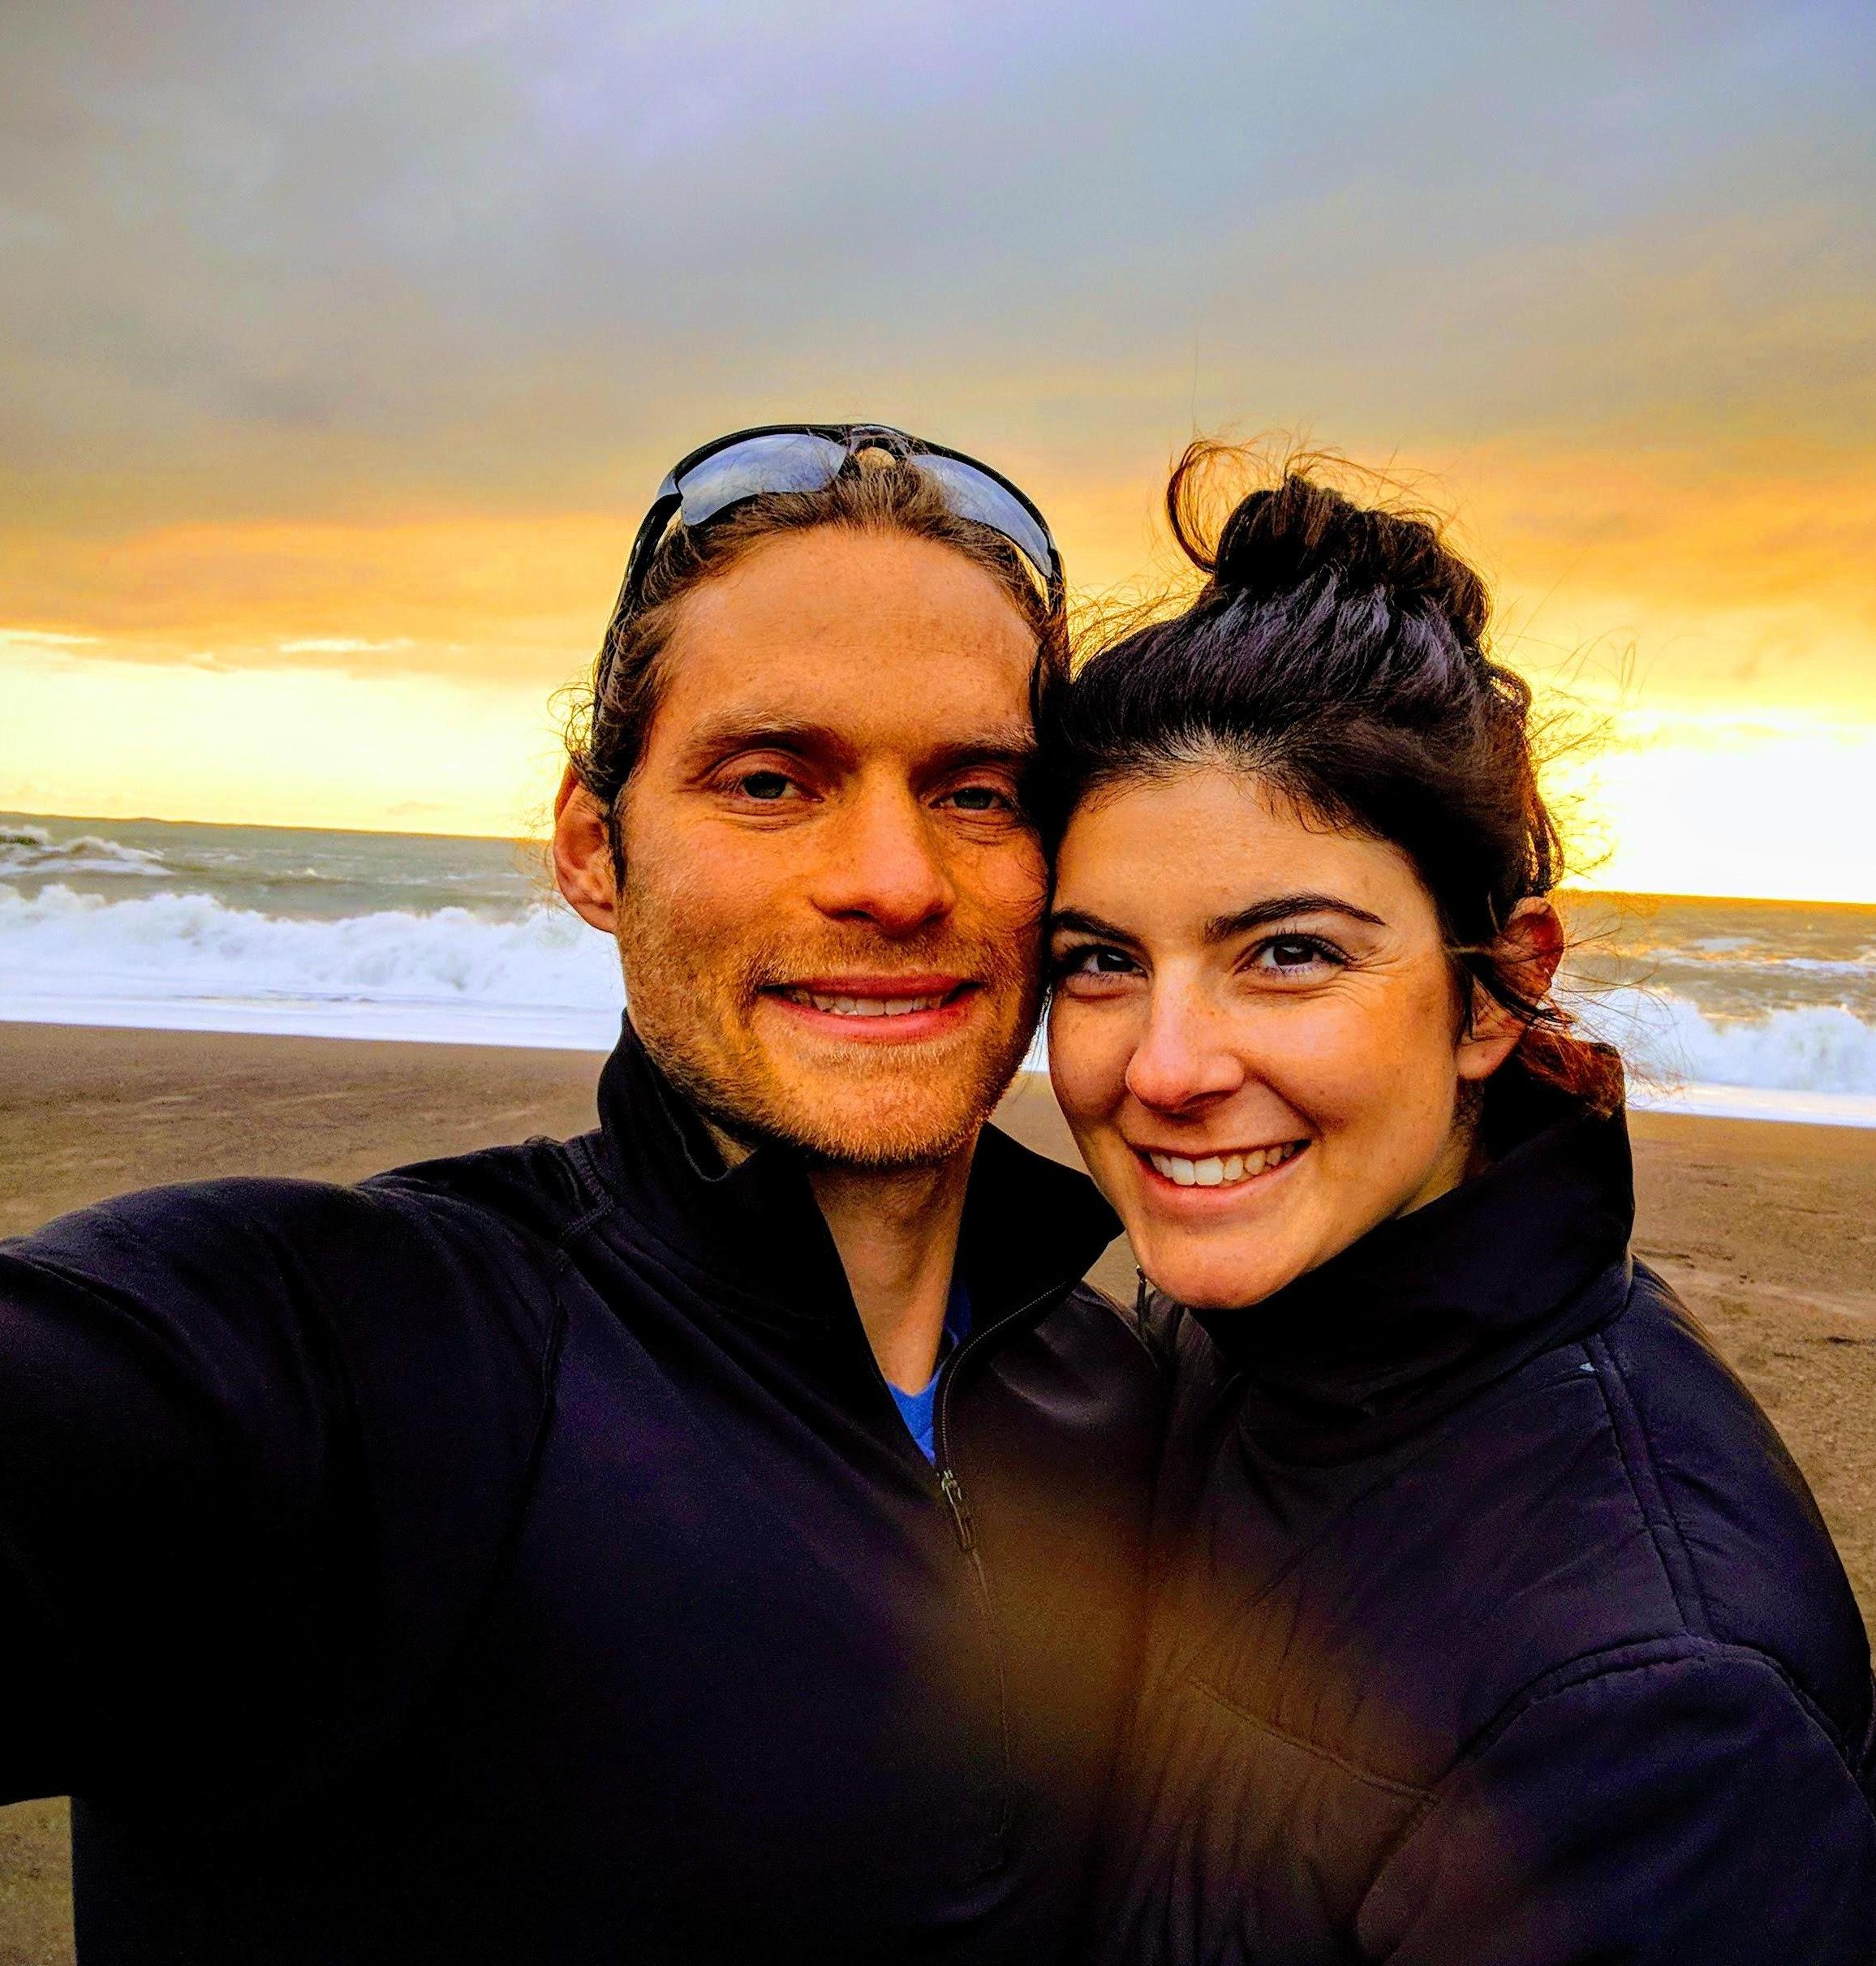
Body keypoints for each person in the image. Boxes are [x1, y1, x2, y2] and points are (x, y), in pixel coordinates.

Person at [0, 424, 1160, 1964]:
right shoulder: (360, 1355)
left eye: (981, 793)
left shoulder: (1121, 1391)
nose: (894, 878)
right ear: (593, 847)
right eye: (770, 780)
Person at [1038, 448, 1876, 1964]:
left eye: (1290, 953)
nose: (1165, 1069)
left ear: (1498, 993)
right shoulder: (1231, 1336)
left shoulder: (1661, 1721)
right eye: (1101, 961)